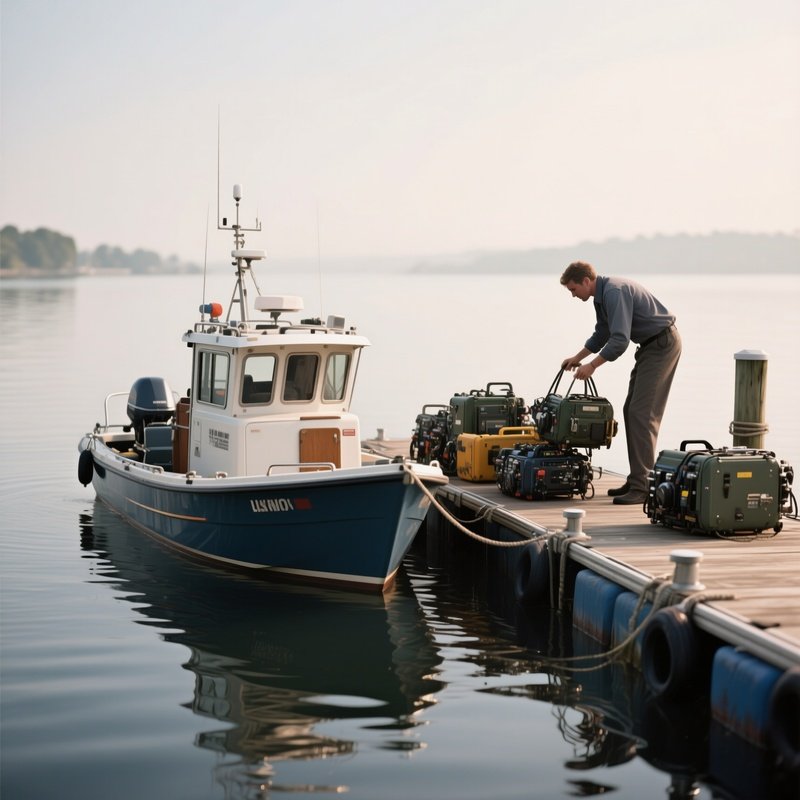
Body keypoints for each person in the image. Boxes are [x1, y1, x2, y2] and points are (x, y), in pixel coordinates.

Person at [560, 261, 681, 505]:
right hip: (649, 347)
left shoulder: (614, 292)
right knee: (631, 410)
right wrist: (578, 358)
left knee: (641, 413)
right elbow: (602, 334)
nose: (573, 296)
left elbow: (619, 341)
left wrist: (592, 366)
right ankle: (638, 478)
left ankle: (643, 486)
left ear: (586, 281)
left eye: (573, 290)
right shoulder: (601, 296)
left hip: (662, 345)